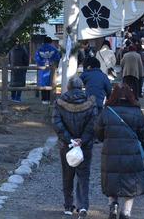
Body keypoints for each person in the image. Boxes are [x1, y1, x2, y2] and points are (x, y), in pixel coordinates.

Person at [95, 84, 144, 219]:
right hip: (131, 153)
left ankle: (113, 205)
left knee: (112, 181)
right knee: (131, 186)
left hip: (110, 153)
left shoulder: (107, 111)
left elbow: (98, 133)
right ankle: (126, 212)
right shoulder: (137, 112)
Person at [53, 77, 97, 217]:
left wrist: (70, 140)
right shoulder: (90, 102)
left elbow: (57, 123)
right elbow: (93, 124)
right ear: (81, 87)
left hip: (66, 145)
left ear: (68, 87)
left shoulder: (60, 102)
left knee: (67, 175)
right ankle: (83, 206)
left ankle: (67, 206)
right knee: (84, 176)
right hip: (85, 145)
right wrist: (82, 140)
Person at [35, 36, 61, 104]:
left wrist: (42, 63)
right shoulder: (54, 49)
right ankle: (51, 99)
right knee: (52, 83)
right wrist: (54, 65)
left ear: (44, 41)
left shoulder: (39, 49)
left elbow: (37, 59)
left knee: (43, 84)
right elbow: (58, 58)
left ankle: (44, 100)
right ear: (51, 41)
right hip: (52, 69)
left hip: (42, 69)